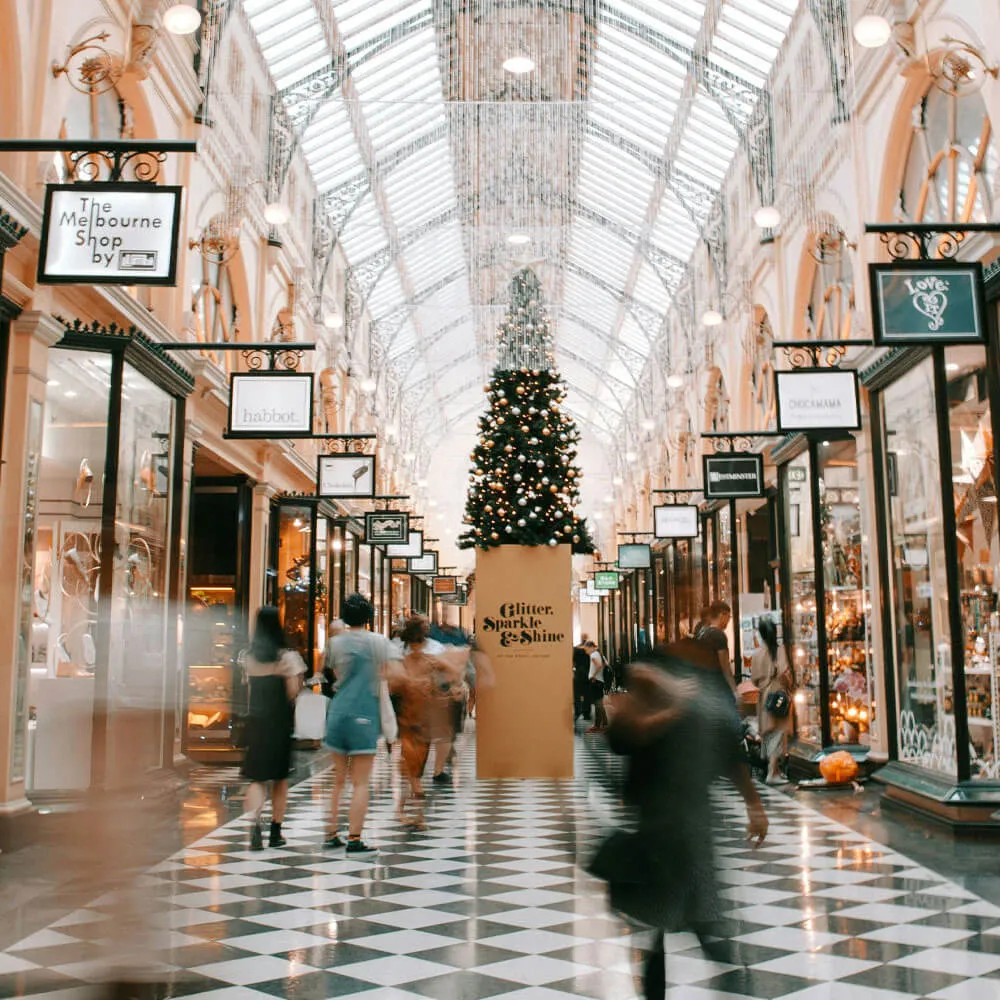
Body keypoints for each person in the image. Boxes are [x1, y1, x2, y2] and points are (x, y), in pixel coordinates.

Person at [590, 648, 768, 1000]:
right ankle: (710, 983)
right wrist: (671, 707)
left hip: (688, 830)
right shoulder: (649, 712)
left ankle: (732, 981)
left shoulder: (695, 712)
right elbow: (622, 738)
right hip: (656, 831)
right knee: (661, 925)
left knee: (697, 919)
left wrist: (754, 805)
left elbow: (730, 758)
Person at [323, 593, 400, 853]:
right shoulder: (378, 642)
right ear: (369, 617)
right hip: (364, 714)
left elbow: (334, 674)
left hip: (337, 712)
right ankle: (354, 838)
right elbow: (393, 673)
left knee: (338, 780)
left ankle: (331, 832)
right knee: (361, 782)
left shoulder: (335, 644)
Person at [241, 606, 306, 850]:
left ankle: (255, 824)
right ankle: (276, 831)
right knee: (279, 779)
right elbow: (292, 691)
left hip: (257, 722)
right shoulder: (287, 658)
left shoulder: (248, 657)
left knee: (258, 778)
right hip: (279, 723)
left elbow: (248, 688)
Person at [750, 616, 794, 785]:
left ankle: (773, 769)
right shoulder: (779, 650)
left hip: (763, 696)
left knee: (768, 732)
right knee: (778, 730)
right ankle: (772, 772)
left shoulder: (757, 654)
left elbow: (754, 679)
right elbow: (784, 672)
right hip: (777, 694)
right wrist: (789, 686)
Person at [695, 601, 738, 697]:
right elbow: (725, 667)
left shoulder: (703, 633)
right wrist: (735, 692)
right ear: (722, 614)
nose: (728, 620)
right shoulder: (718, 635)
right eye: (728, 617)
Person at [586, 640, 608, 732]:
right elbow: (605, 664)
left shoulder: (593, 655)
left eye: (587, 649)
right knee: (599, 703)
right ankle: (604, 723)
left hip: (596, 682)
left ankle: (597, 725)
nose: (587, 651)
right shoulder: (599, 654)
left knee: (597, 703)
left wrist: (594, 676)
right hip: (600, 681)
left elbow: (599, 666)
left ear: (590, 647)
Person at [573, 636, 592, 721]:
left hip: (578, 674)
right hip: (587, 674)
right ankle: (586, 713)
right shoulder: (588, 651)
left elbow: (573, 662)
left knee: (577, 695)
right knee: (587, 694)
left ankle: (578, 711)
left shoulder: (575, 649)